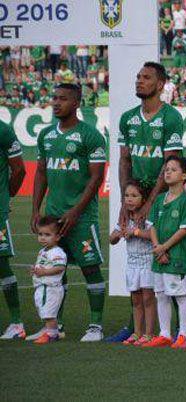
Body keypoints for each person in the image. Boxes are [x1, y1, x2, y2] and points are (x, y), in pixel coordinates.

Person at [106, 62, 184, 343]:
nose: (139, 81)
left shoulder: (171, 118)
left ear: (160, 85)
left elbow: (169, 164)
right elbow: (124, 160)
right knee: (138, 266)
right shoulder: (128, 118)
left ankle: (169, 330)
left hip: (162, 201)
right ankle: (139, 329)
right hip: (136, 198)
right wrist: (125, 204)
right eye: (138, 76)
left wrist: (150, 202)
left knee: (164, 261)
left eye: (146, 77)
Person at [31, 84, 107, 342]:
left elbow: (97, 178)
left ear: (76, 103)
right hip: (53, 217)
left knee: (90, 270)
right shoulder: (46, 135)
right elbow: (41, 172)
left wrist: (75, 211)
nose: (56, 103)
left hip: (82, 217)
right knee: (55, 272)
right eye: (54, 98)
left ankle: (96, 325)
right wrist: (35, 210)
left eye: (62, 99)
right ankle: (54, 326)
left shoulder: (91, 135)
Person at [141, 155, 186, 349]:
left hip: (177, 257)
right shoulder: (160, 199)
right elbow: (152, 225)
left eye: (173, 169)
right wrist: (157, 248)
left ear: (184, 175)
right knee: (161, 295)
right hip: (159, 257)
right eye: (166, 170)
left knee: (180, 295)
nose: (168, 172)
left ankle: (183, 335)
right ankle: (164, 334)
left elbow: (184, 229)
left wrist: (164, 247)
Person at [109, 181, 156, 346]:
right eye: (127, 196)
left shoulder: (147, 216)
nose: (129, 199)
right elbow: (112, 239)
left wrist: (135, 232)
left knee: (148, 299)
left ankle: (149, 334)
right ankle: (137, 332)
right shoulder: (124, 217)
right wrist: (118, 234)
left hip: (147, 262)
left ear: (143, 199)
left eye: (134, 196)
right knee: (135, 300)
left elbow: (153, 234)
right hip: (132, 264)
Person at [0, 121, 26, 340]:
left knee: (1, 263)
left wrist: (5, 197)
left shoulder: (3, 129)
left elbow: (19, 170)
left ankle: (16, 322)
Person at [29, 216, 67, 345]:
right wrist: (36, 270)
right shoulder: (43, 251)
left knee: (49, 313)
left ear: (57, 237)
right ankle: (50, 331)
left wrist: (43, 272)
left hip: (51, 288)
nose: (43, 238)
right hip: (42, 287)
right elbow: (44, 265)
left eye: (47, 235)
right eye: (40, 234)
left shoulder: (57, 252)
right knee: (44, 311)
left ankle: (52, 334)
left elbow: (60, 267)